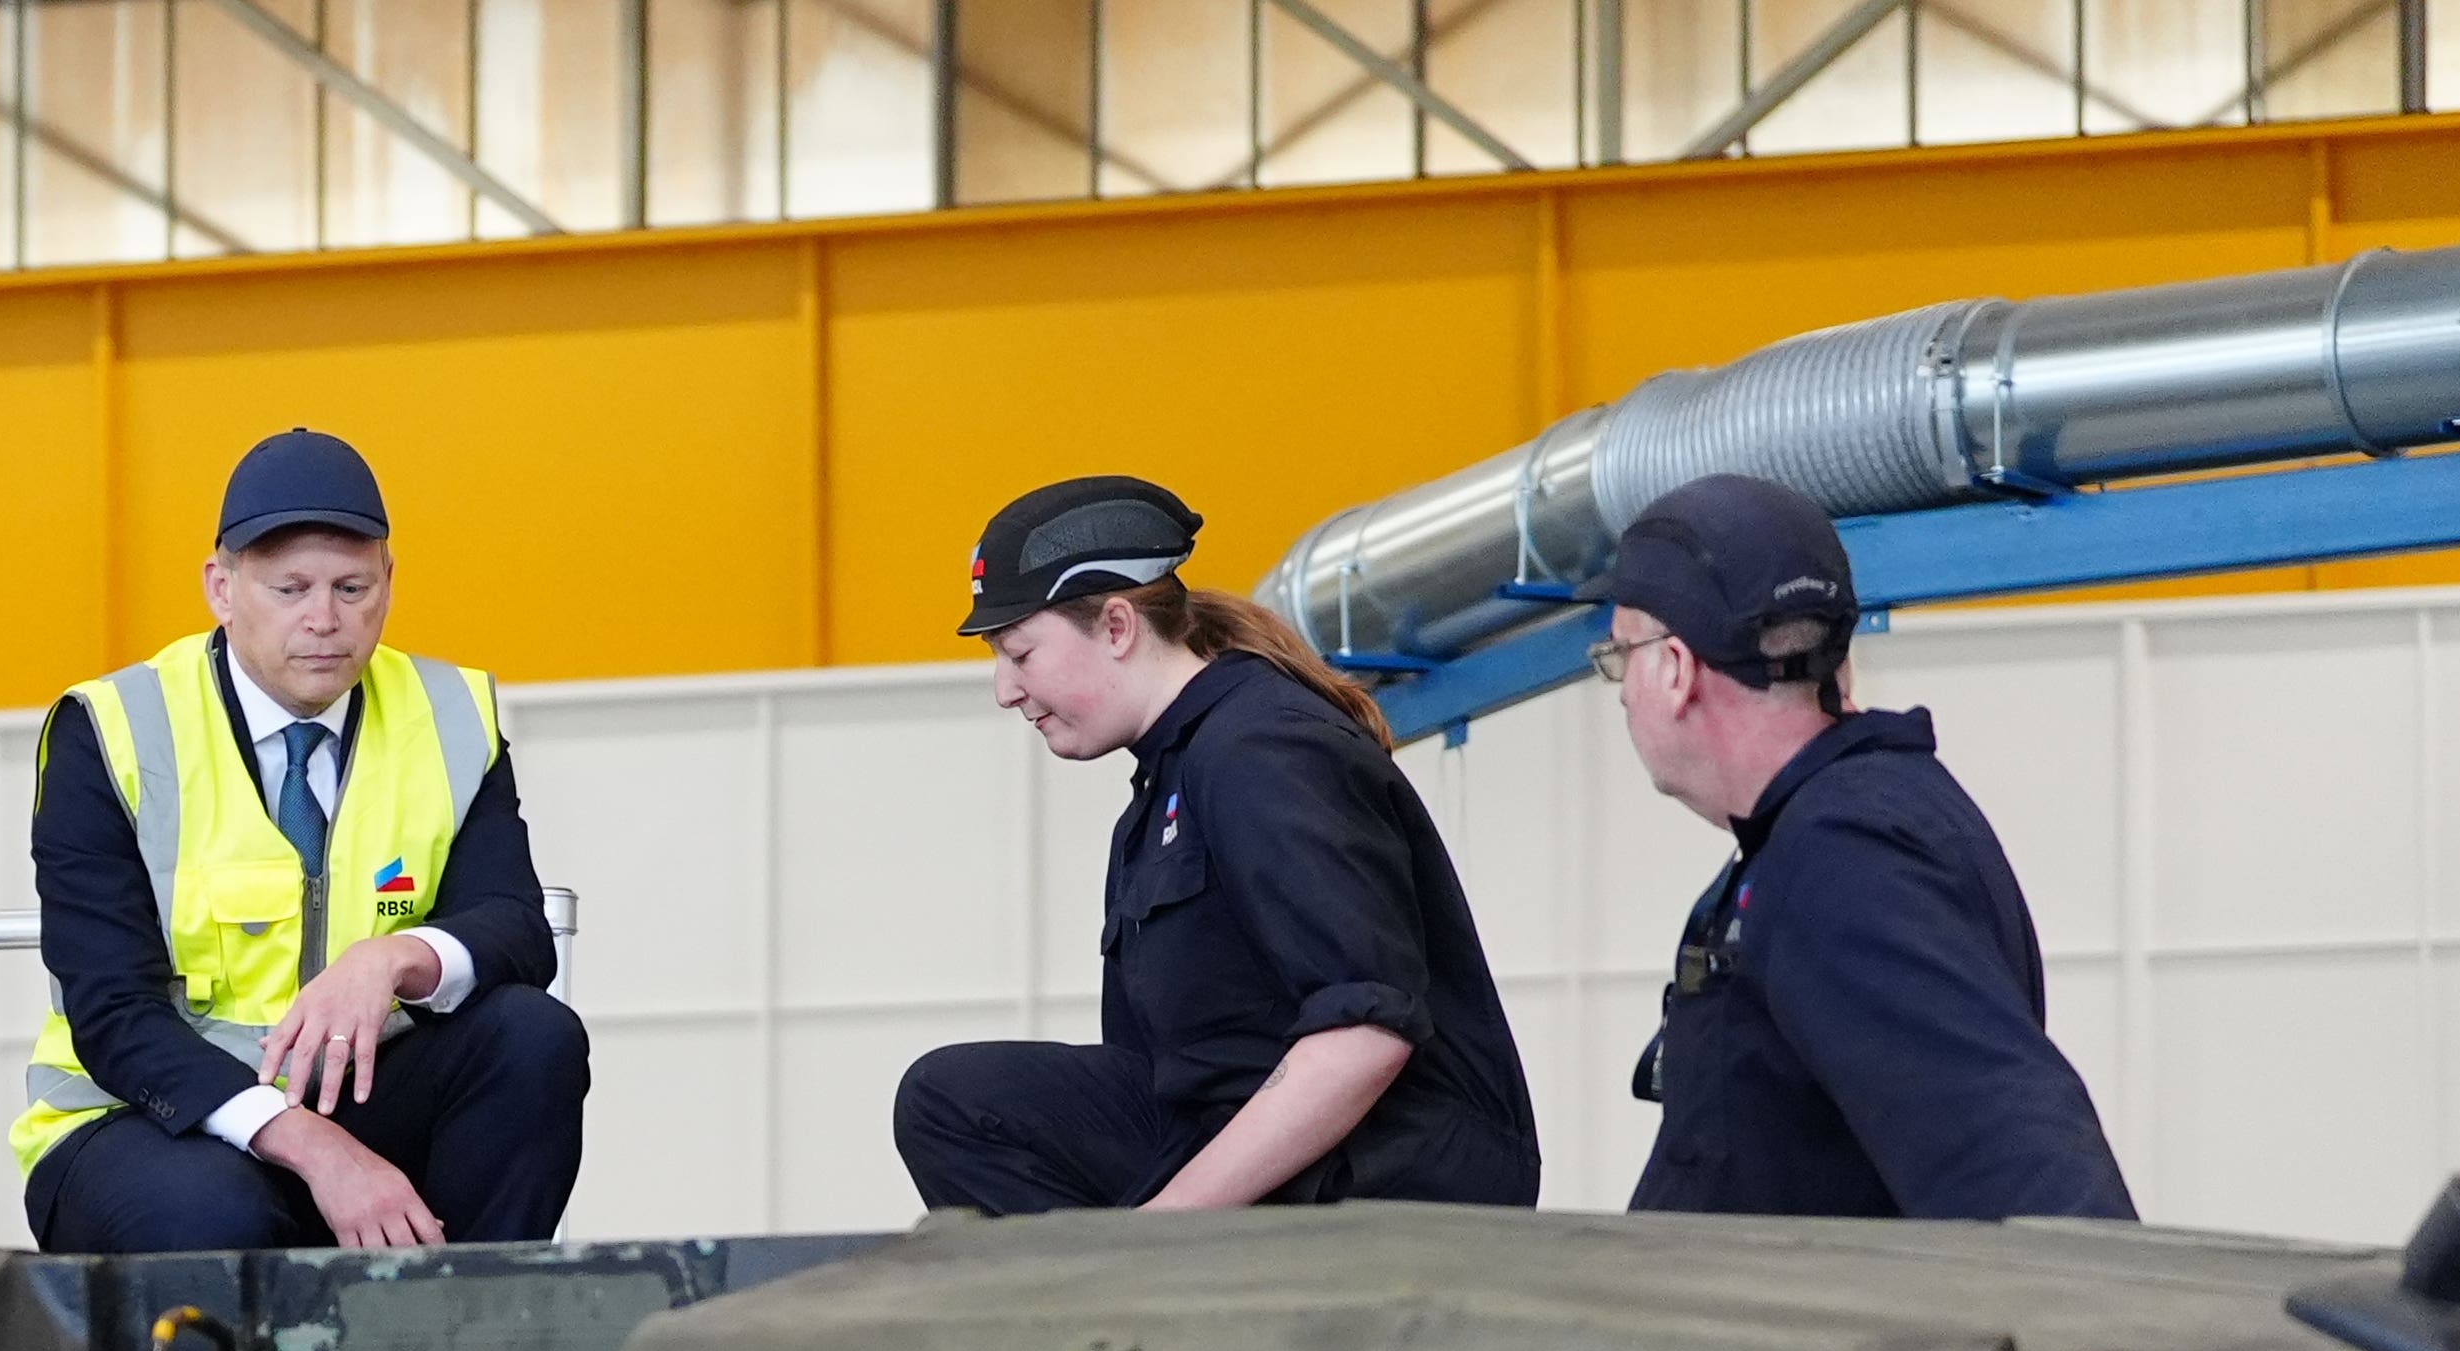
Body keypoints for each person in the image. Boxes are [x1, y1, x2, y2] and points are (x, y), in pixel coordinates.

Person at [892, 476, 1537, 1219]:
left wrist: (1161, 1231)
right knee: (961, 1103)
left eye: (1021, 653)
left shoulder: (1261, 750)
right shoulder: (1167, 787)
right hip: (1247, 1156)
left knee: (949, 1100)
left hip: (1384, 1177)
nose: (1005, 689)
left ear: (1116, 626)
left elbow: (1366, 1030)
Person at [15, 430, 584, 1256]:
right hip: (148, 1117)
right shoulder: (112, 731)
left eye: (352, 588)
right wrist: (318, 1149)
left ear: (390, 584)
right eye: (290, 589)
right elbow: (112, 1013)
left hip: (357, 1090)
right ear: (221, 587)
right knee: (217, 1213)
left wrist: (392, 960)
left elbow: (515, 925)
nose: (325, 620)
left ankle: (461, 1348)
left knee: (533, 1038)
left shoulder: (451, 715)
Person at [1599, 475, 2134, 1223]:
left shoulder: (1843, 857)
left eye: (1622, 656)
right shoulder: (1838, 825)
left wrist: (2103, 1337)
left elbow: (2012, 1151)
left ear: (1676, 668)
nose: (1621, 691)